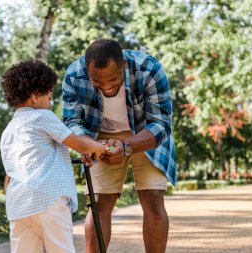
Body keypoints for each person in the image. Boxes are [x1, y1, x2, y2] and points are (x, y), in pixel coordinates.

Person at [62, 39, 176, 253]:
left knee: (152, 198)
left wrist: (125, 146)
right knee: (99, 203)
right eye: (97, 82)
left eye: (113, 80)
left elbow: (161, 123)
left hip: (146, 132)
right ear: (87, 70)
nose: (106, 87)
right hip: (98, 136)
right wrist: (87, 146)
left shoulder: (150, 69)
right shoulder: (73, 75)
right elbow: (72, 121)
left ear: (124, 65)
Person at [0, 60, 107, 253]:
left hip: (18, 206)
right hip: (48, 200)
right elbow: (79, 144)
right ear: (35, 97)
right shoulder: (42, 117)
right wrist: (100, 147)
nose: (50, 104)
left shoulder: (8, 130)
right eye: (49, 98)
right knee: (61, 249)